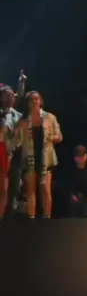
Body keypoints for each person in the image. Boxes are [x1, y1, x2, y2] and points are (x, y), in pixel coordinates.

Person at [16, 91, 62, 218]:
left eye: (36, 99)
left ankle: (46, 219)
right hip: (29, 157)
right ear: (28, 103)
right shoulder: (24, 120)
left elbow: (59, 136)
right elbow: (16, 142)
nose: (34, 101)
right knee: (30, 191)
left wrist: (49, 137)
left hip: (45, 158)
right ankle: (32, 219)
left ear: (40, 101)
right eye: (31, 99)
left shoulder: (49, 117)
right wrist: (20, 130)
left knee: (45, 190)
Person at [0, 85, 23, 219]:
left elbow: (20, 136)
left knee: (14, 187)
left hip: (13, 154)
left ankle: (8, 215)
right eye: (7, 95)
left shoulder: (18, 116)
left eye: (12, 95)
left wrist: (12, 149)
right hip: (2, 152)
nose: (10, 98)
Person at [70, 145, 87, 218]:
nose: (81, 159)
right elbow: (69, 185)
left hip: (86, 200)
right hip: (75, 199)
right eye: (79, 157)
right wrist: (72, 195)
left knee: (85, 217)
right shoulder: (72, 172)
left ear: (86, 157)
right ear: (75, 158)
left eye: (83, 156)